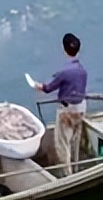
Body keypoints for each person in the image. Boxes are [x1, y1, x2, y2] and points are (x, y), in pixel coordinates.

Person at [31, 33, 93, 176]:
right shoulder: (82, 71)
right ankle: (76, 166)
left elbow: (48, 88)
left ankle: (68, 174)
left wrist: (37, 86)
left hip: (67, 111)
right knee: (76, 139)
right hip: (81, 108)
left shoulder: (64, 72)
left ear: (64, 49)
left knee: (62, 143)